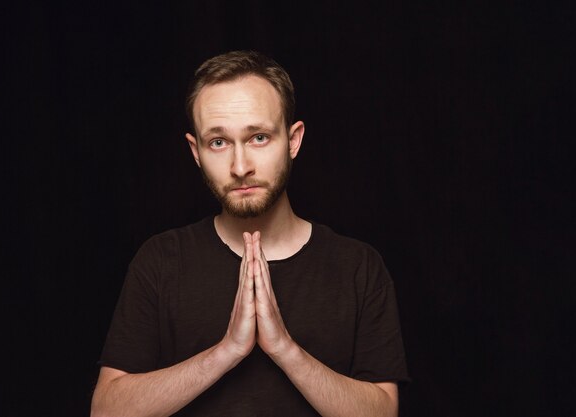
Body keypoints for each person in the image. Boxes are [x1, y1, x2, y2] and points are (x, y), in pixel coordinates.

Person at [91, 50, 409, 417]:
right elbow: (106, 411)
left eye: (258, 137)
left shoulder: (358, 266)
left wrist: (285, 350)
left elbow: (384, 413)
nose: (240, 167)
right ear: (196, 151)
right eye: (219, 142)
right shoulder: (162, 260)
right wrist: (227, 350)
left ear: (293, 140)